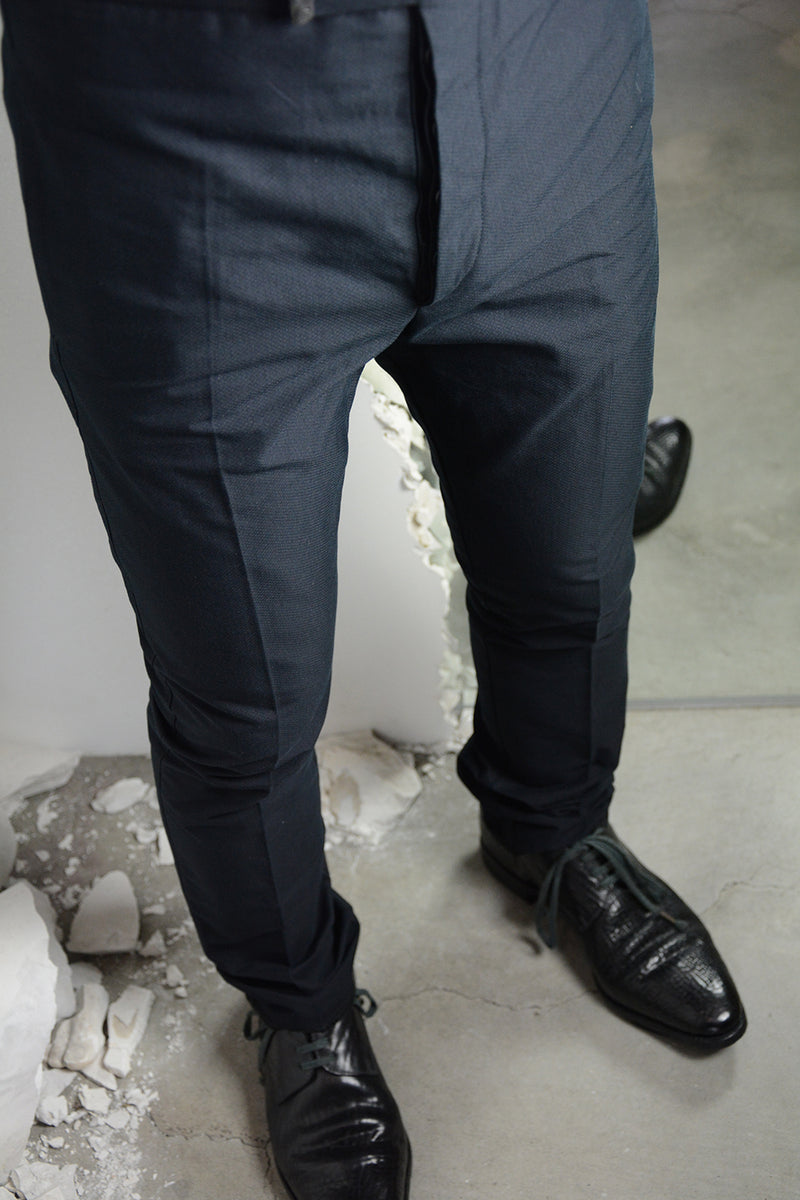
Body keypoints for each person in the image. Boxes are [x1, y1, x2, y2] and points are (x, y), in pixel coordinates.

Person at [1, 2, 744, 1197]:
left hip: (547, 75)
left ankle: (549, 832)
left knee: (568, 565)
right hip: (193, 126)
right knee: (244, 690)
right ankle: (298, 1001)